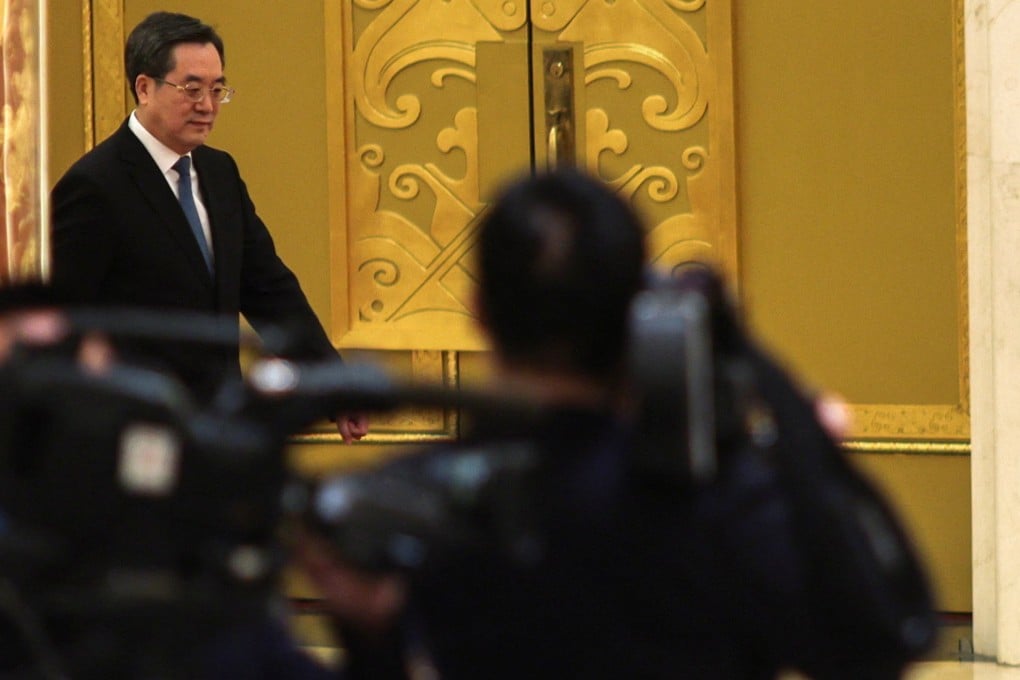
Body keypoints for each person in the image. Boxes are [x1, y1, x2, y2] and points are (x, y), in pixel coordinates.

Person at [296, 169, 937, 679]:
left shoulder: (416, 502)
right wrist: (813, 459)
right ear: (636, 314)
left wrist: (367, 639)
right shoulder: (720, 499)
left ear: (479, 310)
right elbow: (875, 646)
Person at [49, 11, 367, 443]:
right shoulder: (95, 185)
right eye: (192, 89)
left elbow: (269, 289)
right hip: (133, 431)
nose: (208, 106)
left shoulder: (219, 173)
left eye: (217, 90)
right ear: (144, 88)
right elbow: (65, 321)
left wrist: (332, 383)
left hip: (218, 427)